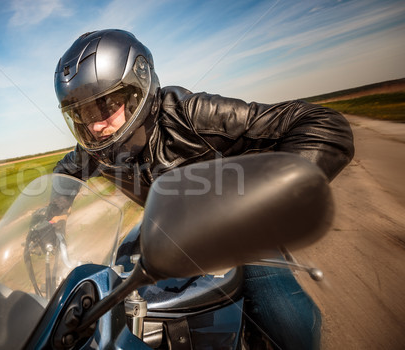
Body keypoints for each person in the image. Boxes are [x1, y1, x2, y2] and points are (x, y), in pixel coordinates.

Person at [50, 29, 354, 349]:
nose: (95, 126)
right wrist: (52, 216)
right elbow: (65, 173)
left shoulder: (191, 115)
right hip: (166, 221)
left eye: (104, 106)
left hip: (235, 222)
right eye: (83, 113)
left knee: (286, 319)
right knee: (114, 284)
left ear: (136, 91)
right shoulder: (95, 149)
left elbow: (322, 124)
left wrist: (264, 204)